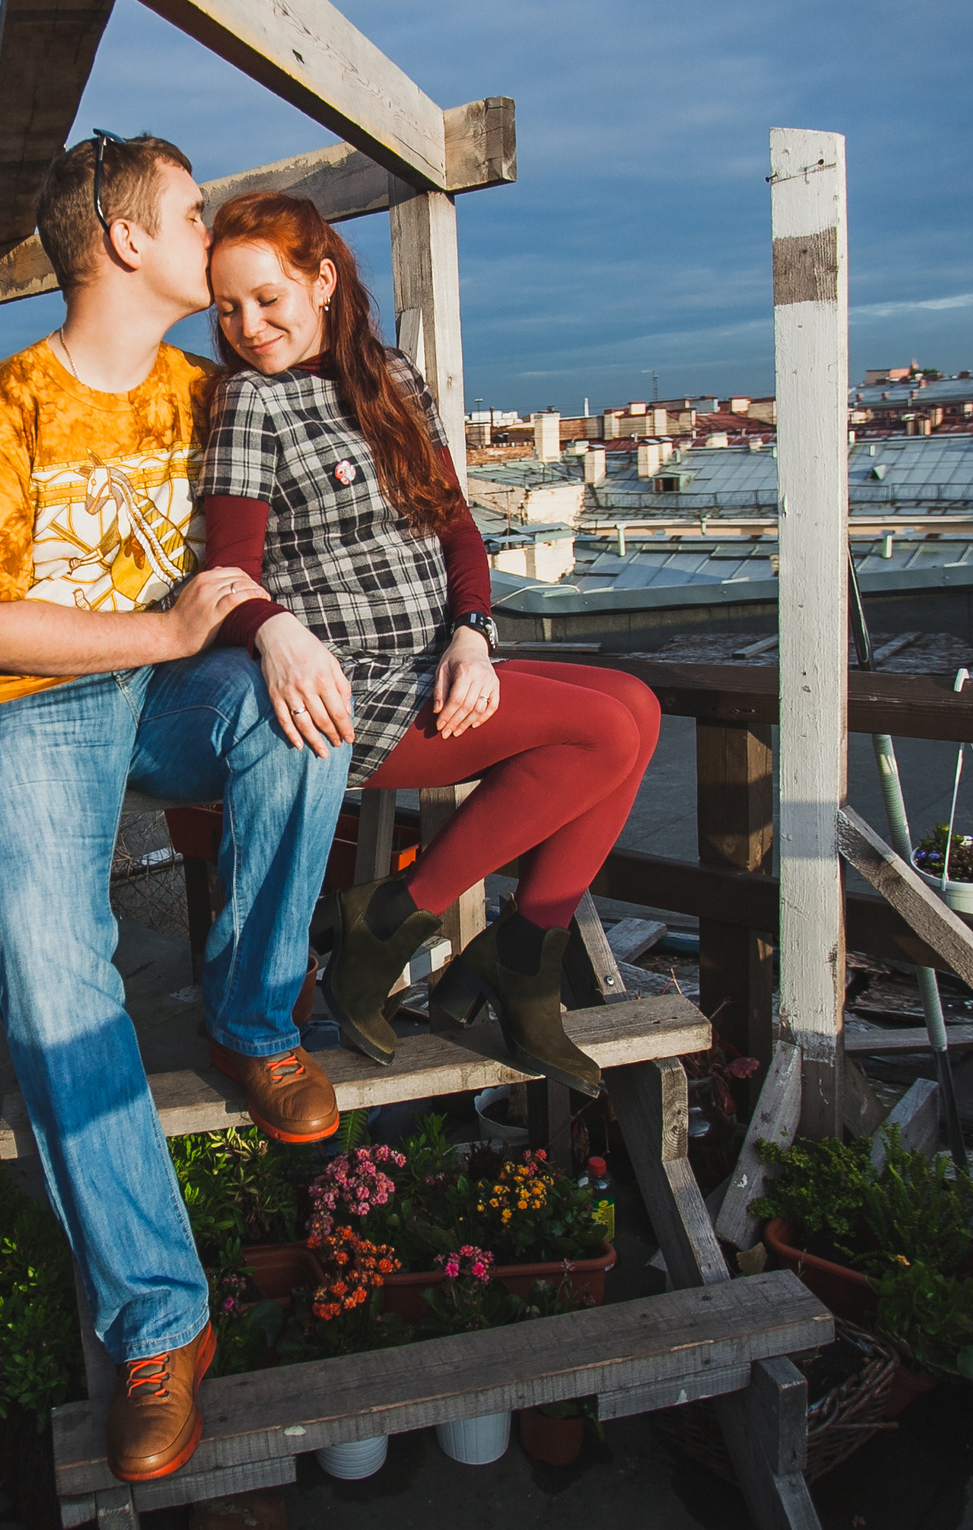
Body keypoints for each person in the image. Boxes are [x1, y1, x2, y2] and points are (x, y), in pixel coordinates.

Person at [0, 136, 354, 1486]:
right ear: (122, 239)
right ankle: (162, 1324)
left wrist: (424, 627)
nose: (207, 233)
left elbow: (329, 501)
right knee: (47, 968)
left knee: (302, 712)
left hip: (174, 693)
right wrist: (161, 632)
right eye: (190, 212)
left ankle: (254, 1017)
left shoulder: (214, 394)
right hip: (30, 703)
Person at [198, 190, 662, 1094]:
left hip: (437, 663)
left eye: (267, 298)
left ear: (322, 281)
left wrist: (473, 636)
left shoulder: (389, 378)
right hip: (350, 692)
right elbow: (229, 575)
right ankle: (396, 921)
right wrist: (275, 634)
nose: (248, 326)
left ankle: (519, 962)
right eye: (226, 309)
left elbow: (455, 525)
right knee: (602, 732)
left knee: (637, 705)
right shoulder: (250, 401)